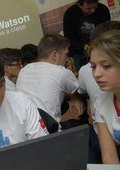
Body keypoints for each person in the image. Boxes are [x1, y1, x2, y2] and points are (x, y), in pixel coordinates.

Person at [16, 34, 82, 122]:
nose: (67, 59)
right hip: (50, 131)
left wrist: (74, 98)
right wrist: (76, 98)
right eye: (66, 54)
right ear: (55, 55)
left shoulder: (23, 70)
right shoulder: (60, 72)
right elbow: (80, 90)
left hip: (25, 127)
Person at [89, 30, 120, 164]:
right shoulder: (101, 103)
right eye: (93, 66)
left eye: (106, 66)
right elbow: (109, 158)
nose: (96, 74)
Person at [63, 0, 110, 70]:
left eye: (95, 7)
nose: (93, 11)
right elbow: (68, 38)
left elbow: (107, 32)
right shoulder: (70, 14)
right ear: (79, 5)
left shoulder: (103, 10)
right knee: (83, 72)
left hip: (100, 46)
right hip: (78, 51)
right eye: (88, 9)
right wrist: (83, 46)